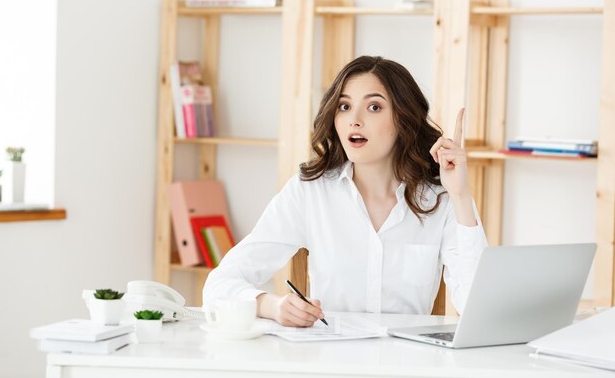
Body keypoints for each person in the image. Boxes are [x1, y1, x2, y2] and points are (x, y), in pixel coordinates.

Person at [203, 55, 487, 327]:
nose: (355, 120)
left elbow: (478, 309)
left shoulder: (442, 197)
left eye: (374, 107)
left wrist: (460, 196)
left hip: (407, 364)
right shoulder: (310, 192)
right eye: (344, 106)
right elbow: (219, 286)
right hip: (331, 361)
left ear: (404, 119)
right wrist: (272, 307)